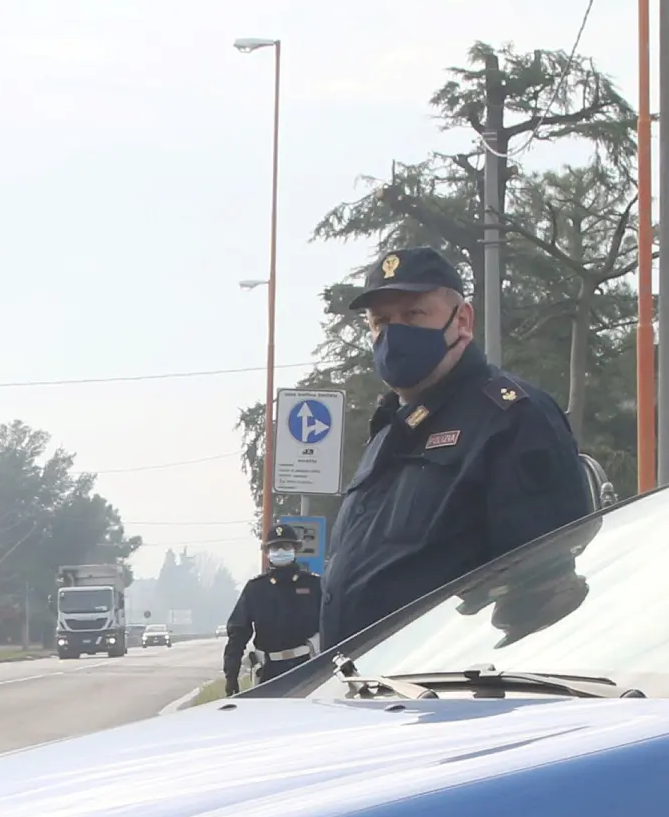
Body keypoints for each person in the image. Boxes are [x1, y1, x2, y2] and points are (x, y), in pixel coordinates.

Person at [320, 247, 597, 648]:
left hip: (451, 693)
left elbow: (542, 597)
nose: (393, 335)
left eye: (414, 314)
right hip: (367, 690)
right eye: (381, 321)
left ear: (462, 319)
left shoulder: (511, 418)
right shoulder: (391, 430)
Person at [223, 522, 324, 692]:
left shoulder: (314, 585)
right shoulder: (256, 588)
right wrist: (231, 674)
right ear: (267, 552)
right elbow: (238, 633)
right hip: (268, 671)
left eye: (285, 546)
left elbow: (330, 622)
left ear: (295, 549)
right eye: (275, 547)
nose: (280, 551)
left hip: (308, 665)